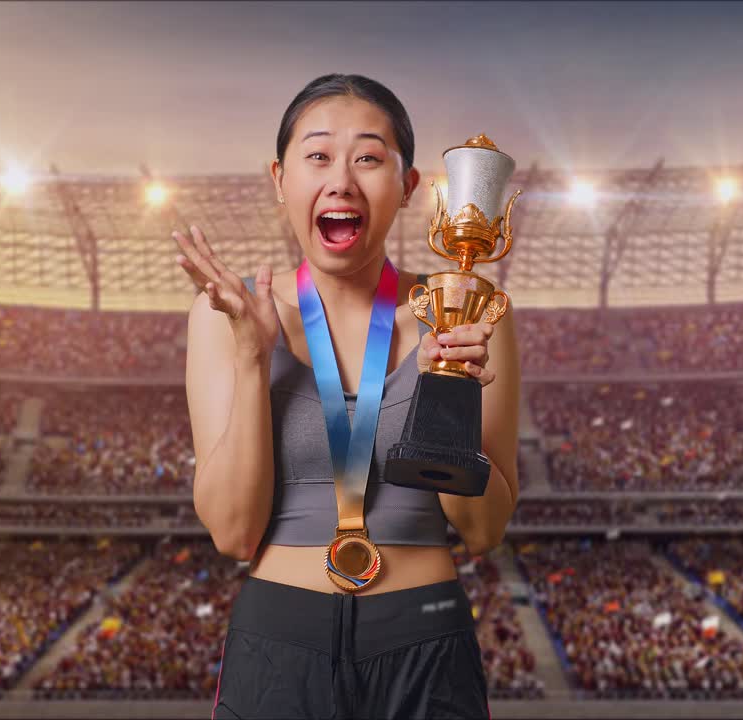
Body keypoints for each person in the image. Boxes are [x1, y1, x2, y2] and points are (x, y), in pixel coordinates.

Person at [177, 73, 520, 719]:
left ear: (408, 186)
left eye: (368, 157)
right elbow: (232, 532)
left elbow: (484, 529)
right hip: (279, 640)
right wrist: (253, 357)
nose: (341, 179)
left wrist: (443, 389)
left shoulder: (472, 312)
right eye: (317, 156)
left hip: (427, 638)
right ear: (280, 180)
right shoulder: (224, 316)